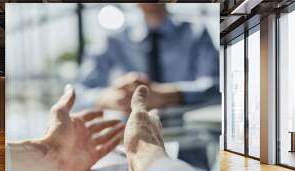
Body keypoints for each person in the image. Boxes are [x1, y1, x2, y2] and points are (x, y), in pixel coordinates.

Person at [7, 85, 196, 171]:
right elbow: (82, 89)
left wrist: (171, 93)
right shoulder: (110, 43)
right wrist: (145, 151)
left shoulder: (197, 34)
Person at [77, 3, 219, 112]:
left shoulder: (197, 33)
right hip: (128, 141)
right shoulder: (114, 40)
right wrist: (110, 97)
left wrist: (168, 95)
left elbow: (216, 87)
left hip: (192, 142)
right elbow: (78, 93)